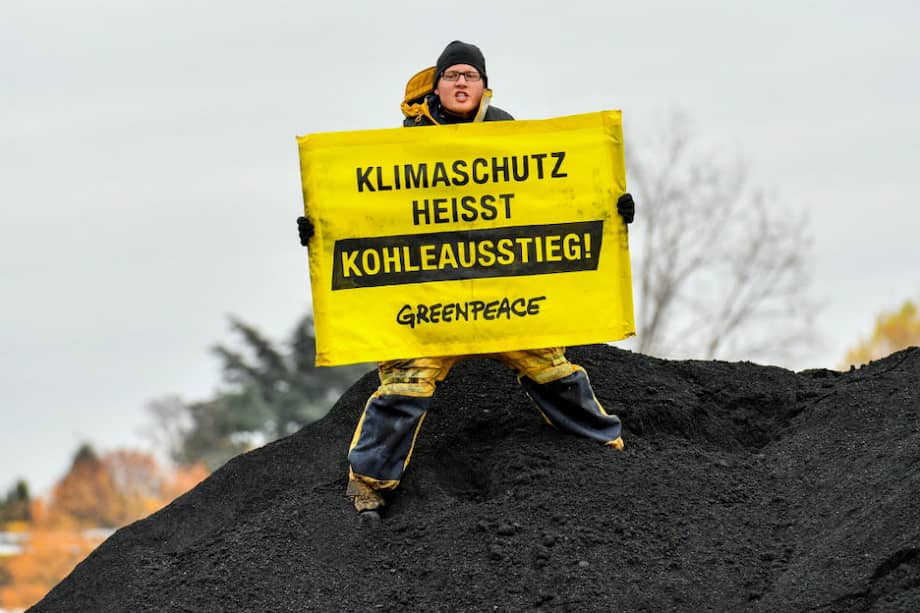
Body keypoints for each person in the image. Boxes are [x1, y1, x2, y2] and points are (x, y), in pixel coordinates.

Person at [297, 41, 636, 521]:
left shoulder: (510, 135)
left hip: (504, 289)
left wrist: (612, 209)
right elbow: (371, 209)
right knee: (406, 382)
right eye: (452, 75)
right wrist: (320, 227)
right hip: (432, 295)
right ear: (436, 84)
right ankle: (368, 485)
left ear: (483, 85)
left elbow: (554, 197)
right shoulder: (402, 144)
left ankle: (609, 450)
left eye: (470, 76)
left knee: (548, 364)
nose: (461, 83)